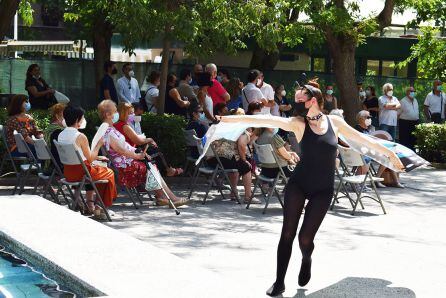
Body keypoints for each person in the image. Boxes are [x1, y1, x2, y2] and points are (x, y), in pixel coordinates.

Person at [217, 81, 404, 296]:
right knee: (287, 233)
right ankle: (279, 282)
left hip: (322, 190)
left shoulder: (334, 122)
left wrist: (390, 155)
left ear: (312, 101)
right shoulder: (298, 123)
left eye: (299, 100)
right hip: (299, 184)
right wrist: (232, 119)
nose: (295, 103)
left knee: (305, 239)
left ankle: (306, 258)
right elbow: (264, 118)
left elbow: (362, 139)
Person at [98, 100, 187, 207]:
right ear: (108, 114)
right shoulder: (108, 131)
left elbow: (126, 147)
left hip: (126, 162)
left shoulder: (110, 128)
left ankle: (163, 197)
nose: (117, 113)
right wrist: (137, 156)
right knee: (151, 167)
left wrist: (139, 154)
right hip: (124, 166)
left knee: (150, 165)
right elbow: (121, 150)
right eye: (115, 111)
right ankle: (169, 197)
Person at [58, 105, 117, 217]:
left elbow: (80, 156)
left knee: (101, 171)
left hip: (68, 172)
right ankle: (101, 208)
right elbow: (89, 159)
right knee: (109, 173)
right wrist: (99, 145)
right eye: (82, 117)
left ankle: (95, 206)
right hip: (82, 173)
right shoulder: (80, 136)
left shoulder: (61, 134)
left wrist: (97, 157)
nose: (83, 120)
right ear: (77, 120)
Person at [115, 102, 183, 177]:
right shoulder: (125, 126)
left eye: (133, 113)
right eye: (131, 113)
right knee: (156, 151)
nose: (133, 115)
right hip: (131, 154)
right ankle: (168, 171)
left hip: (128, 152)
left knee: (154, 150)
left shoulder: (116, 125)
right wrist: (150, 139)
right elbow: (138, 141)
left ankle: (167, 171)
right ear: (124, 113)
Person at [355, 110, 403, 188]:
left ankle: (388, 180)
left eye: (370, 117)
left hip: (370, 151)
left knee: (390, 156)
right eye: (368, 117)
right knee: (385, 156)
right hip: (362, 152)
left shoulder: (369, 129)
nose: (370, 119)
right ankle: (363, 182)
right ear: (361, 118)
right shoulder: (357, 129)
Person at [43, 103, 66, 172]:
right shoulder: (59, 132)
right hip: (57, 167)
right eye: (65, 115)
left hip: (48, 165)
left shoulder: (49, 128)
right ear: (57, 116)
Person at [398, 87, 419, 151]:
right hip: (405, 123)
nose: (413, 93)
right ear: (407, 92)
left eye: (414, 91)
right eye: (411, 91)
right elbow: (398, 113)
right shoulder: (403, 101)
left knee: (414, 140)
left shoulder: (415, 100)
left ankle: (413, 154)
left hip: (415, 122)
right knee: (405, 141)